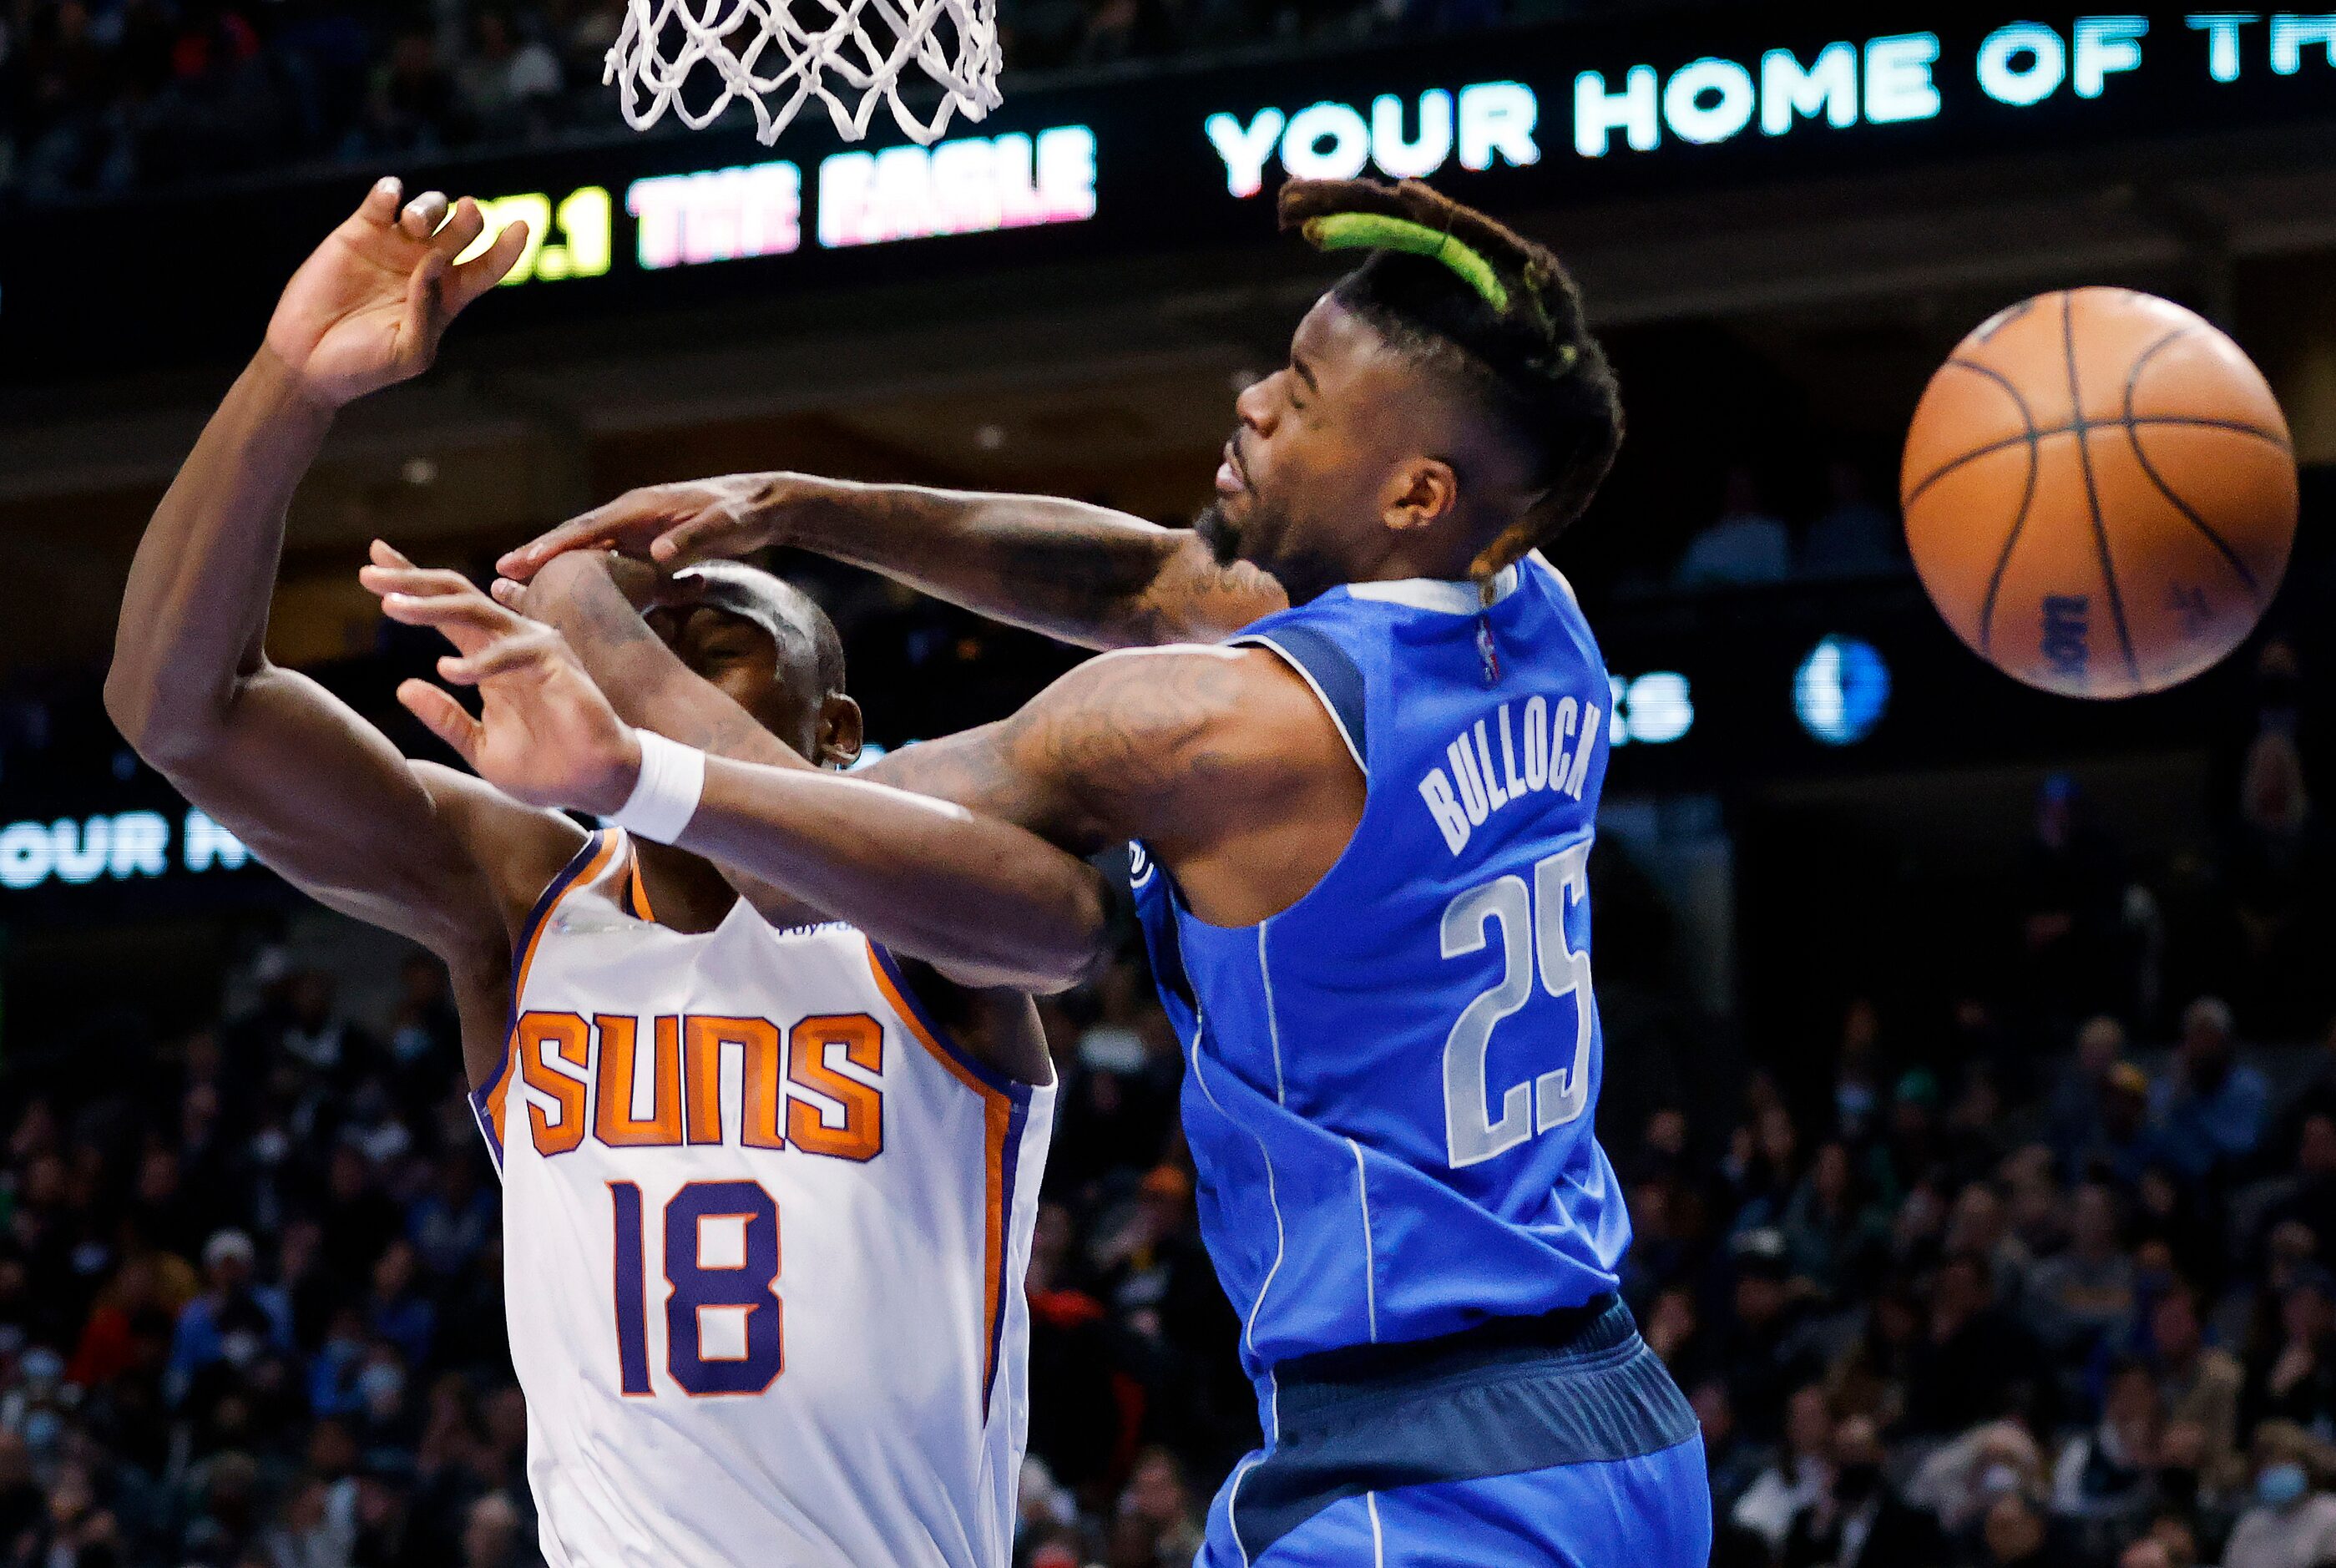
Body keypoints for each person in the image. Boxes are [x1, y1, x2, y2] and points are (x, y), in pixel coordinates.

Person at [495, 173, 1710, 1565]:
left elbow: (806, 857)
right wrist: (795, 506)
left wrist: (587, 615)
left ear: (1415, 491)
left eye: (1303, 396)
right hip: (1612, 1419)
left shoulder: (1216, 730)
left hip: (1413, 1467)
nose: (1253, 399)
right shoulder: (1533, 610)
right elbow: (1144, 588)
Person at [107, 179, 1115, 1568]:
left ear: (836, 732)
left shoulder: (920, 903)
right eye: (631, 637)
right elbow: (179, 709)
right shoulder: (521, 896)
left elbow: (1014, 921)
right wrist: (288, 386)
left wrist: (600, 640)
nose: (639, 654)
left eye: (708, 641)